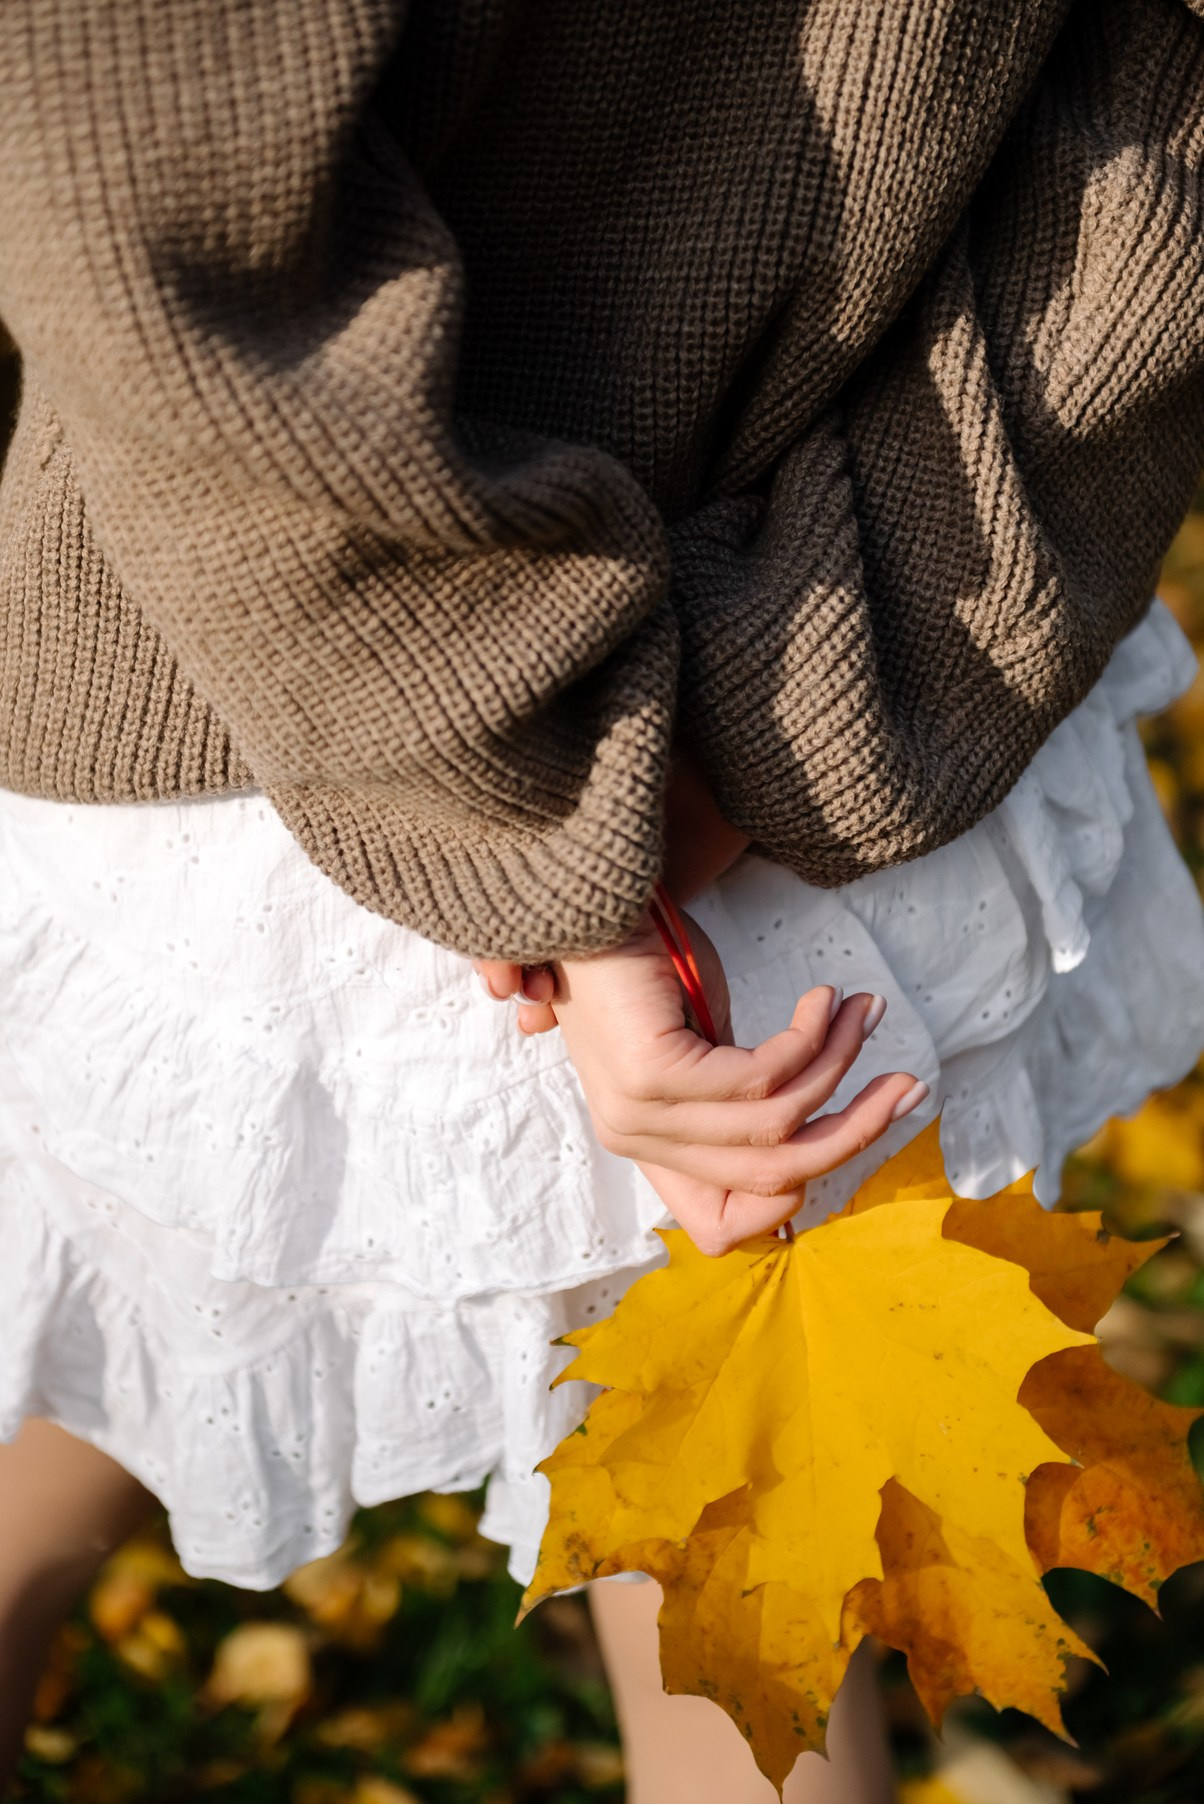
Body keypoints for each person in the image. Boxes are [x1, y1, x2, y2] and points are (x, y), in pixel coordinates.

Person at [1, 2, 1203, 1798]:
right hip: (799, 609)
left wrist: (578, 808)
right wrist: (696, 769)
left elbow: (165, 218)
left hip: (324, 659)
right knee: (703, 1529)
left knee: (694, 1511)